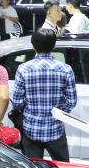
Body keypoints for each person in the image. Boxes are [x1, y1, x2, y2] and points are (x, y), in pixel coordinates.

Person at [9, 28, 77, 160]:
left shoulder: (23, 69)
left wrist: (29, 109)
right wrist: (57, 112)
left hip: (30, 129)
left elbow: (16, 101)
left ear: (33, 45)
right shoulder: (65, 69)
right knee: (62, 167)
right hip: (56, 129)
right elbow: (71, 102)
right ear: (54, 45)